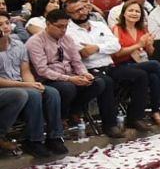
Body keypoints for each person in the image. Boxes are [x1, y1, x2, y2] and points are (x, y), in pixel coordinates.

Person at [27, 8, 120, 138]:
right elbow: (42, 70)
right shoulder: (35, 42)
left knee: (98, 82)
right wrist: (70, 79)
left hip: (70, 75)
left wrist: (84, 73)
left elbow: (77, 62)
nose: (63, 30)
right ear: (48, 24)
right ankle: (63, 117)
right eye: (60, 26)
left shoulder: (67, 39)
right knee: (68, 87)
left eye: (66, 26)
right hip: (49, 79)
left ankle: (74, 110)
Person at [0, 11, 65, 158]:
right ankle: (33, 140)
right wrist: (25, 86)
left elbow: (25, 70)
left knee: (51, 92)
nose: (5, 27)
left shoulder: (18, 44)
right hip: (5, 87)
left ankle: (54, 136)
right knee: (29, 93)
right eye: (0, 25)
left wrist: (32, 83)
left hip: (19, 83)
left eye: (6, 23)